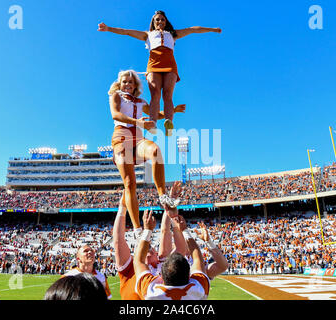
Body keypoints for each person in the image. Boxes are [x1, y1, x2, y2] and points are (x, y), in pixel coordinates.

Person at [98, 10, 221, 136]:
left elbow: (193, 29)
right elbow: (126, 32)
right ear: (154, 22)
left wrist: (212, 29)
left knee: (167, 94)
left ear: (166, 21)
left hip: (169, 65)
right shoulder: (147, 35)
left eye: (162, 19)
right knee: (155, 93)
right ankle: (152, 123)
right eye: (157, 19)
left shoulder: (173, 34)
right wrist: (108, 28)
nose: (160, 21)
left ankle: (169, 122)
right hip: (154, 65)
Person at [108, 69, 185, 235]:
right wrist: (138, 122)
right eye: (124, 82)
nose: (127, 84)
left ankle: (162, 195)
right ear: (120, 84)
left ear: (135, 85)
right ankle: (137, 228)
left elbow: (155, 114)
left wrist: (173, 111)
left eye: (130, 82)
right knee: (130, 183)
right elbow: (116, 114)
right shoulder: (116, 96)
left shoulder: (141, 101)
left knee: (155, 150)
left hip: (138, 138)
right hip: (122, 138)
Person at [112, 183, 185, 300]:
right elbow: (118, 239)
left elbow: (165, 231)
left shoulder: (165, 264)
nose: (149, 247)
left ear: (157, 254)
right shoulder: (129, 267)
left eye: (152, 246)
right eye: (146, 245)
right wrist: (122, 207)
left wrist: (170, 202)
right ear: (136, 251)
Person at [133, 211, 210, 300]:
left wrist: (147, 230)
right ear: (189, 275)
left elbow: (138, 261)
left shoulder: (150, 293)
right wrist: (184, 230)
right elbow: (197, 259)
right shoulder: (199, 290)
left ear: (161, 277)